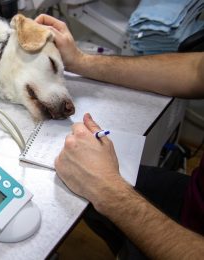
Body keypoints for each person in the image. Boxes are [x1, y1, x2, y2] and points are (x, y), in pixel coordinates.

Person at [35, 14, 204, 259]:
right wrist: (80, 61)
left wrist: (108, 190)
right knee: (79, 198)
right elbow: (196, 70)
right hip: (195, 200)